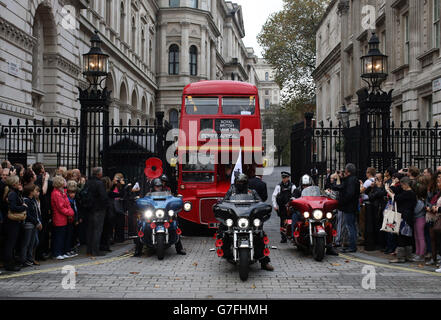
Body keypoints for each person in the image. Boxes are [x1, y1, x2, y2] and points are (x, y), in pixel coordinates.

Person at [222, 173, 273, 271]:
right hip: (235, 218)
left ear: (246, 183)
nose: (241, 184)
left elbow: (260, 202)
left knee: (260, 234)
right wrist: (222, 206)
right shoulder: (231, 191)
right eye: (239, 182)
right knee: (223, 230)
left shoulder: (252, 192)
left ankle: (264, 262)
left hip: (249, 218)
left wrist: (262, 207)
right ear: (236, 182)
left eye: (243, 182)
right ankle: (226, 253)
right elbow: (224, 202)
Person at [134, 178, 187, 257]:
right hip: (152, 216)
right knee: (142, 224)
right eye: (156, 186)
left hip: (165, 215)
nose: (158, 188)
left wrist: (178, 200)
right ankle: (138, 250)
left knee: (175, 225)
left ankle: (179, 248)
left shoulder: (167, 194)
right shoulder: (149, 195)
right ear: (153, 187)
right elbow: (143, 199)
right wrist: (139, 200)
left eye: (159, 186)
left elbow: (171, 199)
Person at [386, 176, 417, 263]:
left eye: (402, 185)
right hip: (408, 217)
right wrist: (393, 184)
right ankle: (408, 256)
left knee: (401, 237)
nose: (401, 186)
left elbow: (396, 197)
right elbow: (395, 189)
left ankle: (400, 257)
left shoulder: (408, 193)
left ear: (406, 185)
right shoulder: (410, 192)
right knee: (407, 237)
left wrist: (392, 194)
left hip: (405, 218)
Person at [331, 163, 360, 253]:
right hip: (352, 206)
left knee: (350, 226)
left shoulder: (351, 180)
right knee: (352, 226)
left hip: (349, 207)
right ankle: (352, 245)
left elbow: (349, 194)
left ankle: (352, 246)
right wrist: (338, 179)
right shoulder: (353, 179)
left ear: (347, 171)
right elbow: (340, 187)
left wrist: (342, 202)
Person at [3, 175, 26, 271]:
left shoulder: (14, 192)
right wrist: (23, 207)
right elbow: (13, 208)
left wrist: (20, 192)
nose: (19, 184)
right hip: (12, 222)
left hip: (14, 222)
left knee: (12, 243)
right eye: (18, 182)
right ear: (14, 184)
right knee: (10, 244)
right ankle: (9, 264)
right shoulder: (12, 194)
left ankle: (11, 263)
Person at [84, 167, 109, 257]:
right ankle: (95, 251)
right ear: (99, 174)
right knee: (97, 230)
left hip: (89, 209)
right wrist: (105, 206)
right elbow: (104, 197)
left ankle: (89, 250)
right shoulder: (99, 183)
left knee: (90, 230)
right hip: (98, 209)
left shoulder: (88, 182)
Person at [51, 176, 74, 260]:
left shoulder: (61, 192)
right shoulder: (56, 193)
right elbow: (60, 207)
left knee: (63, 236)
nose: (65, 183)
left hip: (63, 217)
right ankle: (57, 253)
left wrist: (70, 210)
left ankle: (61, 251)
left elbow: (67, 203)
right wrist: (70, 212)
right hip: (59, 218)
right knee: (59, 236)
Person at [32, 162, 52, 261]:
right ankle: (39, 254)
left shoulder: (39, 178)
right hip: (42, 209)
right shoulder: (40, 179)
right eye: (43, 167)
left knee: (43, 232)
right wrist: (47, 179)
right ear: (41, 170)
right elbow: (43, 191)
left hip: (43, 208)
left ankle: (40, 253)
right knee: (42, 232)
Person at [20, 183, 42, 267]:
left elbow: (36, 213)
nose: (35, 192)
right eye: (33, 191)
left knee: (32, 242)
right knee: (26, 243)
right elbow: (28, 215)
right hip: (29, 224)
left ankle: (30, 258)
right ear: (30, 192)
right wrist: (36, 222)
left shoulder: (32, 200)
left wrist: (37, 222)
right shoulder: (26, 200)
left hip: (33, 224)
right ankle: (24, 259)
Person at [271, 171, 296, 243]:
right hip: (282, 206)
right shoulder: (279, 186)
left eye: (285, 177)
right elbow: (274, 196)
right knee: (282, 221)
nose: (284, 179)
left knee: (291, 221)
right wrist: (275, 206)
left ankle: (291, 235)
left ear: (288, 178)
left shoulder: (292, 186)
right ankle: (283, 237)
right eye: (283, 178)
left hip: (290, 207)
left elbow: (295, 196)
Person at [65, 180, 79, 257]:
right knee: (69, 235)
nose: (73, 194)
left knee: (72, 235)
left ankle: (70, 248)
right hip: (70, 220)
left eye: (74, 193)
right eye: (71, 192)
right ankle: (68, 249)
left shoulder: (73, 199)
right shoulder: (68, 199)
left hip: (74, 219)